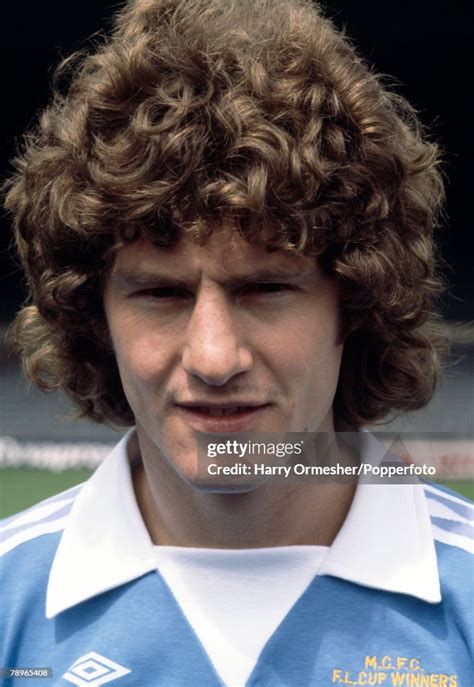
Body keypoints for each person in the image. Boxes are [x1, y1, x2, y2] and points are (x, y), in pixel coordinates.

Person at [1, 1, 472, 685]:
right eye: (161, 294)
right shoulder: (10, 601)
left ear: (357, 302)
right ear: (93, 316)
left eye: (265, 289)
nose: (215, 358)